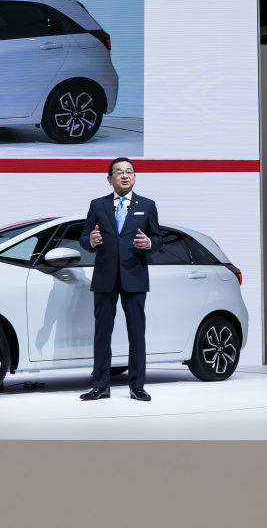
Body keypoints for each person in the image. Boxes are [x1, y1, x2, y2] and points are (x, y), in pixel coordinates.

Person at [79, 157, 162, 401]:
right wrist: (90, 242)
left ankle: (137, 386)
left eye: (129, 172)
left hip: (134, 276)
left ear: (135, 177)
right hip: (105, 277)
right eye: (119, 172)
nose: (124, 176)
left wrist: (149, 243)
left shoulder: (147, 205)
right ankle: (100, 385)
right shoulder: (98, 205)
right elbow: (84, 237)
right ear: (109, 178)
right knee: (102, 333)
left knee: (137, 333)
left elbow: (158, 239)